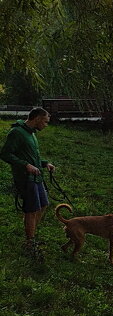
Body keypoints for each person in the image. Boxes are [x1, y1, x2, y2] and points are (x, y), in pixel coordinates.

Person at [1, 107, 56, 256]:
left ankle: (31, 235)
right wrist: (25, 165)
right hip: (25, 178)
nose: (46, 125)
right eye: (45, 121)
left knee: (43, 205)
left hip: (36, 176)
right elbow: (5, 154)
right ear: (37, 118)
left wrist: (45, 163)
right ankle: (30, 242)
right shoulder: (17, 132)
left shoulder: (31, 133)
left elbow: (31, 156)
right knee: (31, 210)